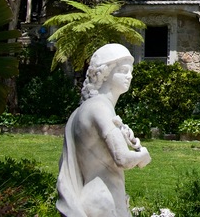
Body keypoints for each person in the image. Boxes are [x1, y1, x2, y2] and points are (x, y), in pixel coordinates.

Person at [57, 44, 151, 217]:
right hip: (105, 198)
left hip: (94, 195)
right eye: (123, 70)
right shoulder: (101, 108)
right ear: (104, 72)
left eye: (130, 71)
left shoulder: (82, 110)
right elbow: (123, 159)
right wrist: (143, 155)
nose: (129, 76)